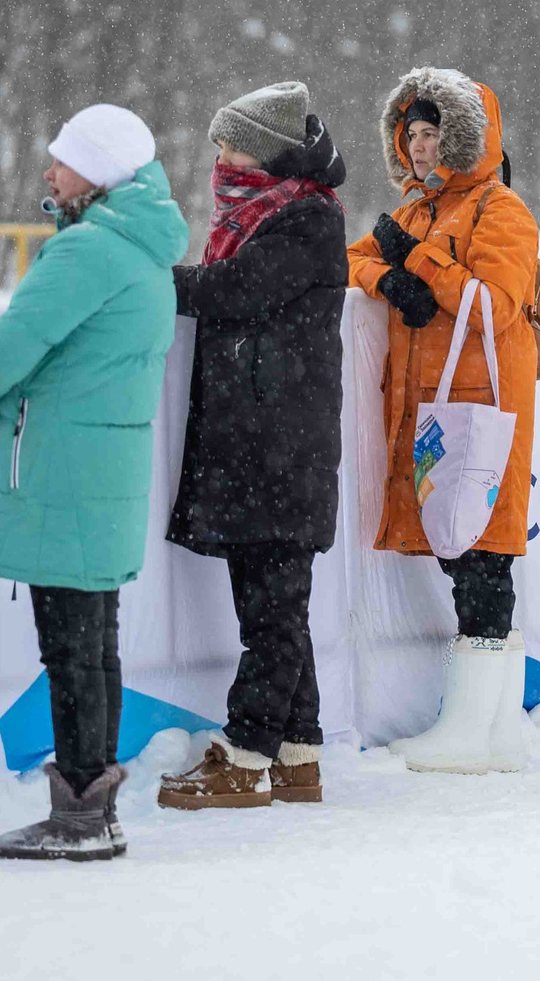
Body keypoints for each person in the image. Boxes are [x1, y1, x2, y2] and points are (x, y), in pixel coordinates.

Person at [0, 103, 186, 861]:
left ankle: (78, 818)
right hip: (99, 472)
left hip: (64, 471)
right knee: (93, 641)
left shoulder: (90, 251)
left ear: (100, 172)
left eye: (64, 161)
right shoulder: (143, 247)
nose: (50, 172)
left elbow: (17, 339)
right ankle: (93, 810)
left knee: (71, 646)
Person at [155, 83, 348, 812]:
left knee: (270, 608)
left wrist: (148, 280)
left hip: (281, 448)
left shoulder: (306, 220)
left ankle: (246, 755)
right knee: (274, 606)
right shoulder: (263, 214)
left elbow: (233, 290)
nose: (221, 157)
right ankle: (298, 754)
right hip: (260, 446)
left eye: (233, 144)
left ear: (266, 151)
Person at [348, 67, 540, 771]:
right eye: (413, 134)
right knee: (466, 556)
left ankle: (473, 730)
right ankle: (496, 731)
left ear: (464, 138)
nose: (422, 147)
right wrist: (387, 275)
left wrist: (420, 263)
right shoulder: (414, 212)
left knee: (484, 555)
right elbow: (348, 264)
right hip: (434, 413)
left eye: (434, 133)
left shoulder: (502, 211)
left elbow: (496, 303)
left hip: (483, 408)